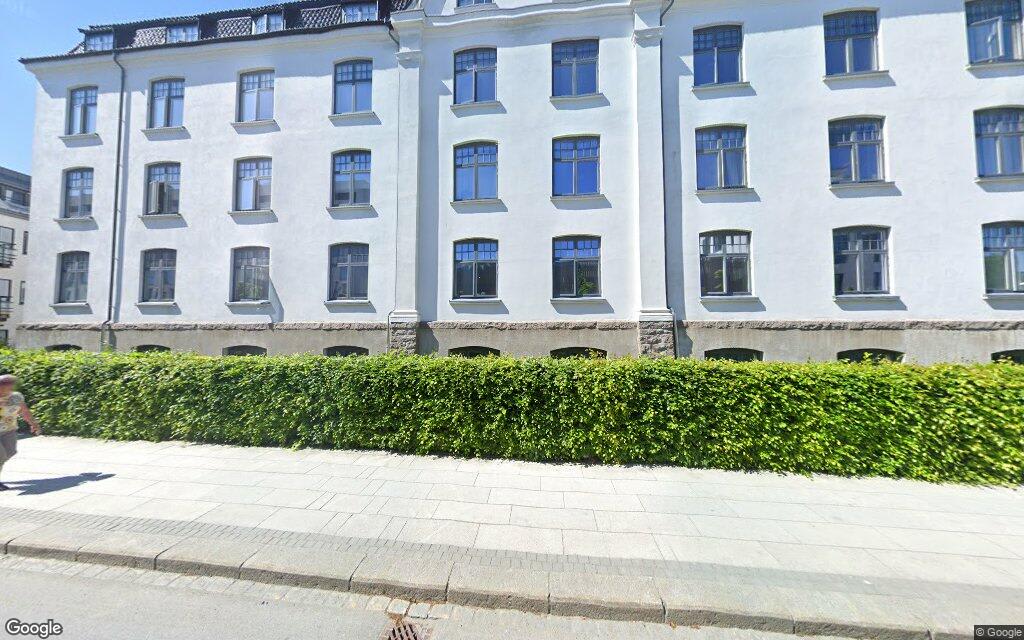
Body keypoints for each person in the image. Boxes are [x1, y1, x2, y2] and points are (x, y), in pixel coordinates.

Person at [0, 374, 41, 491]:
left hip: (9, 430)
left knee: (10, 452)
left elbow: (24, 411)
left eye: (10, 385)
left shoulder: (16, 397)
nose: (8, 387)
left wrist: (33, 424)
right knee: (1, 456)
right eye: (4, 384)